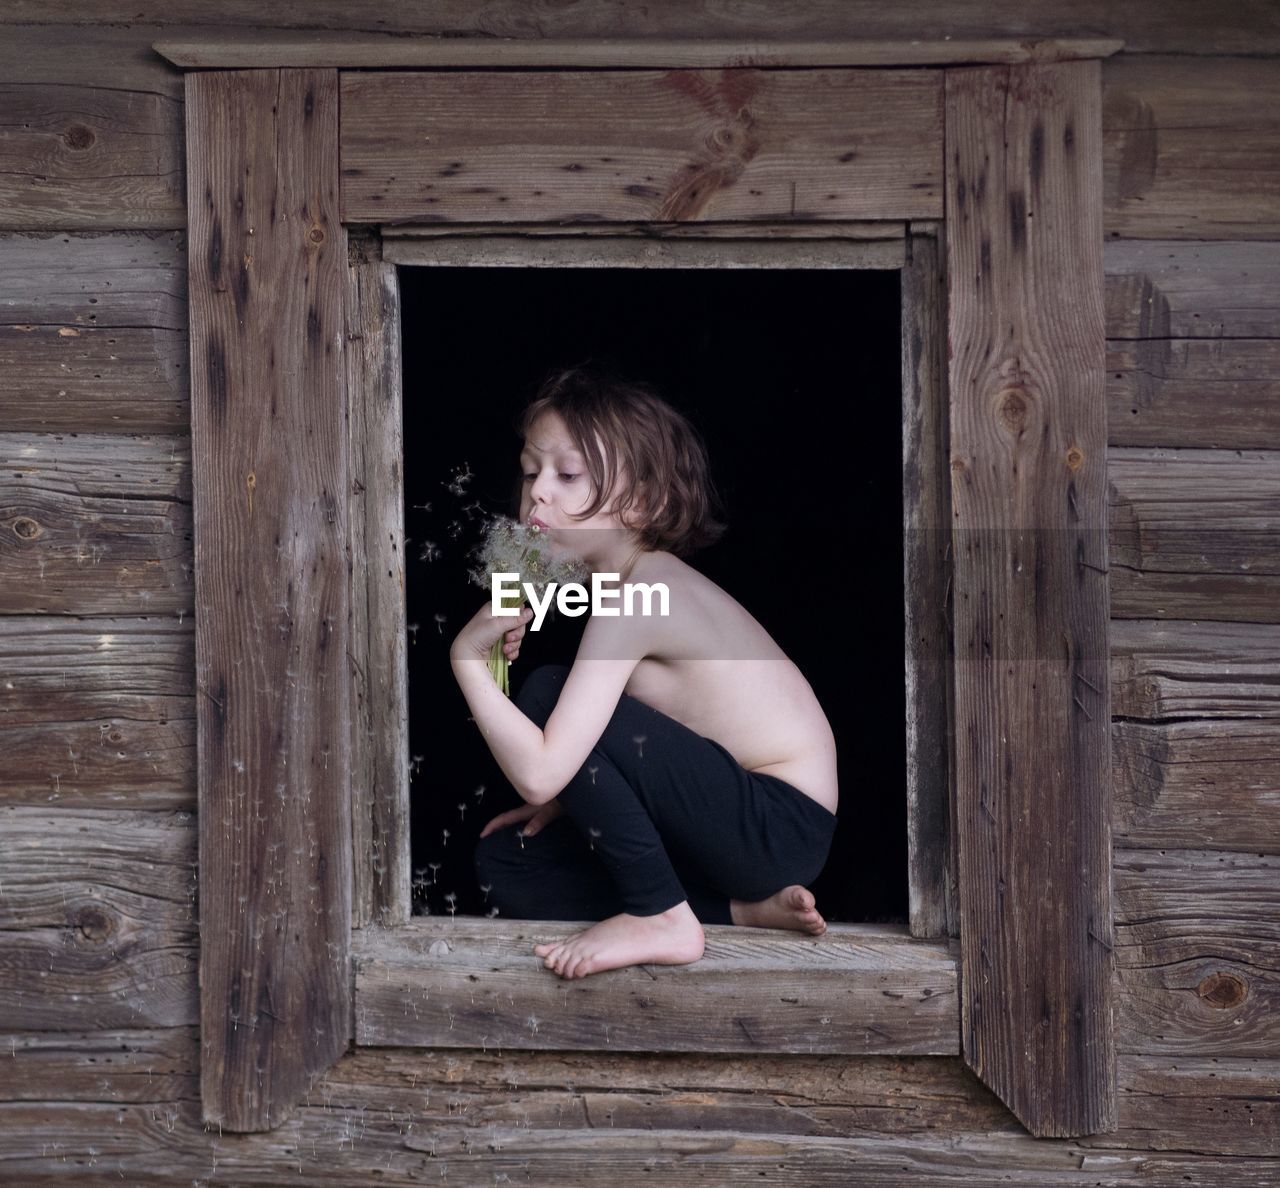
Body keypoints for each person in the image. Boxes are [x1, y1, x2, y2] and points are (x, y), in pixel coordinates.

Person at [450, 362, 839, 980]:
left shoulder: (642, 592)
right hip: (728, 822)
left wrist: (468, 658)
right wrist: (581, 792)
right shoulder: (618, 593)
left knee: (546, 689)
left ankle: (661, 915)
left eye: (568, 473)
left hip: (773, 821)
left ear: (644, 502)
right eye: (531, 472)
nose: (538, 493)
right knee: (510, 860)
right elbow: (642, 739)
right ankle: (734, 910)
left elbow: (540, 774)